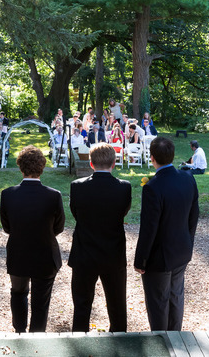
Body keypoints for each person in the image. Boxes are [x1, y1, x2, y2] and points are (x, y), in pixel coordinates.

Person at [134, 137, 199, 331]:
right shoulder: (188, 178)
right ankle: (175, 338)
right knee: (176, 297)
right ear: (172, 156)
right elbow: (193, 216)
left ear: (152, 158)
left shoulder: (152, 187)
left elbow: (149, 228)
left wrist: (140, 261)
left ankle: (161, 341)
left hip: (159, 258)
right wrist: (189, 243)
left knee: (158, 303)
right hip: (181, 251)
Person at [0, 146, 65, 333]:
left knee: (18, 293)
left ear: (20, 168)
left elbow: (7, 227)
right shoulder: (53, 195)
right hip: (45, 254)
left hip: (18, 253)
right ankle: (37, 334)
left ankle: (19, 330)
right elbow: (58, 227)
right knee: (41, 301)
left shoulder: (8, 194)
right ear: (42, 168)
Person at [69, 143, 131, 332]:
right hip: (113, 253)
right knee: (117, 304)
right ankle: (120, 342)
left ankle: (79, 341)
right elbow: (123, 211)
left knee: (82, 304)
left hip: (84, 252)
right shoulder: (124, 187)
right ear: (114, 163)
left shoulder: (77, 187)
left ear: (91, 163)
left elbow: (76, 213)